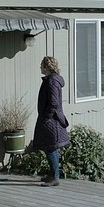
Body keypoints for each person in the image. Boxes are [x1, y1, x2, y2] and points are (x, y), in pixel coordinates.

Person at [31, 56, 69, 187]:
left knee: (51, 148)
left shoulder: (52, 81)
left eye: (41, 65)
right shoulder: (52, 79)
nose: (40, 68)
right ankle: (53, 175)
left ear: (46, 67)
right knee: (51, 148)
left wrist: (46, 117)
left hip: (52, 120)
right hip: (52, 119)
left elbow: (53, 103)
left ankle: (54, 177)